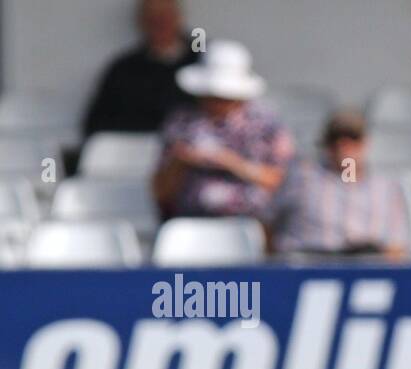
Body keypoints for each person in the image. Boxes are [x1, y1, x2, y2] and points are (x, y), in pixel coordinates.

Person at [152, 40, 294, 221]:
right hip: (189, 222)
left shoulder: (267, 123)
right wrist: (181, 161)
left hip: (252, 220)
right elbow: (160, 192)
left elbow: (283, 181)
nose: (216, 102)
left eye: (224, 97)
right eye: (211, 95)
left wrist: (232, 163)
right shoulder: (181, 122)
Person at [274, 110, 409, 259]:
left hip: (367, 266)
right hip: (311, 264)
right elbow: (270, 222)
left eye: (353, 138)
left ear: (365, 143)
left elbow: (397, 246)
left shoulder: (386, 188)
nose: (344, 146)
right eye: (336, 139)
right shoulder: (302, 178)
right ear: (327, 144)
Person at [83, 0, 200, 137]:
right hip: (137, 151)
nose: (160, 23)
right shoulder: (123, 69)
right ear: (141, 22)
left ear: (178, 17)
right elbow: (96, 123)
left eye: (165, 16)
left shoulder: (205, 59)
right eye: (152, 19)